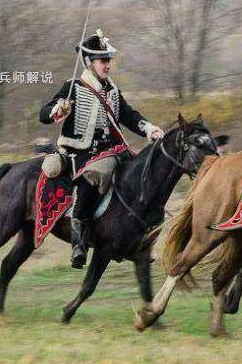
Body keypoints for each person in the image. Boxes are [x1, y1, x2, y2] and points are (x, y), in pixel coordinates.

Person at [39, 30, 164, 268]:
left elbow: (128, 115)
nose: (107, 65)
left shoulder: (113, 90)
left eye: (108, 60)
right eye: (102, 60)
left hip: (113, 150)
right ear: (89, 62)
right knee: (92, 179)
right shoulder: (73, 87)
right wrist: (58, 110)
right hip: (81, 153)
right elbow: (43, 114)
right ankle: (79, 242)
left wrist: (149, 128)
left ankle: (136, 237)